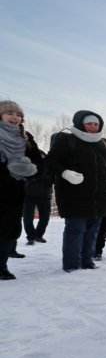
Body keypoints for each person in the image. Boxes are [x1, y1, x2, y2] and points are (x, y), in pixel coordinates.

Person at [45, 110, 106, 272]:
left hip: (98, 195)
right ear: (80, 123)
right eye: (89, 123)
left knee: (93, 230)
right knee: (75, 229)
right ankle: (71, 264)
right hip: (73, 194)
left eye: (96, 124)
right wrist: (65, 172)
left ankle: (87, 260)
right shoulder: (67, 139)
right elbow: (50, 160)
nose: (93, 127)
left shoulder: (102, 143)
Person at [0, 100, 42, 280]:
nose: (14, 117)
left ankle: (1, 267)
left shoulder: (26, 138)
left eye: (18, 115)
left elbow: (39, 163)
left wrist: (29, 170)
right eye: (10, 113)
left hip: (15, 191)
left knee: (9, 230)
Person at [23, 150, 54, 245]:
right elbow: (23, 177)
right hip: (29, 195)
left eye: (42, 155)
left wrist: (43, 179)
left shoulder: (50, 166)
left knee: (45, 218)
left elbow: (53, 178)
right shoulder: (28, 166)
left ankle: (39, 235)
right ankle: (31, 237)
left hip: (45, 195)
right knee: (28, 218)